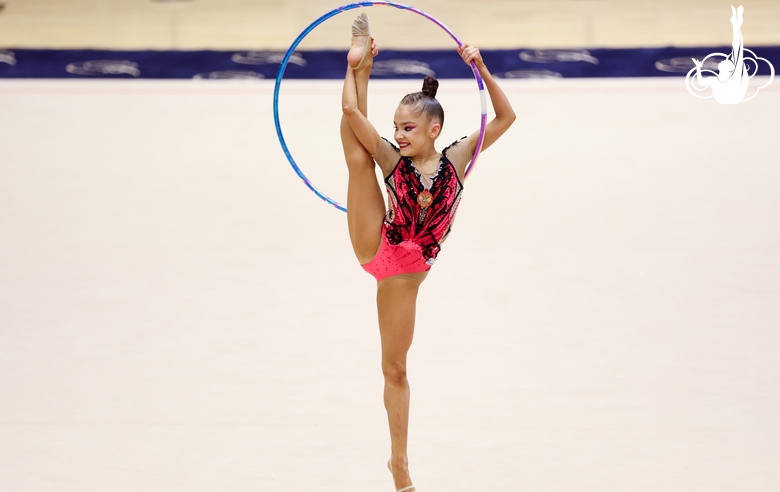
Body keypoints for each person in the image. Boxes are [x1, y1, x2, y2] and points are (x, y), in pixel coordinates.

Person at [339, 13, 515, 492]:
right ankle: (362, 57)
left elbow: (506, 118)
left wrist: (481, 69)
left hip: (409, 274)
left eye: (409, 128)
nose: (399, 135)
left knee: (395, 369)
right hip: (379, 249)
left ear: (435, 129)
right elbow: (354, 117)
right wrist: (356, 68)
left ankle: (397, 462)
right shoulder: (393, 160)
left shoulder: (459, 158)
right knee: (358, 157)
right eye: (397, 127)